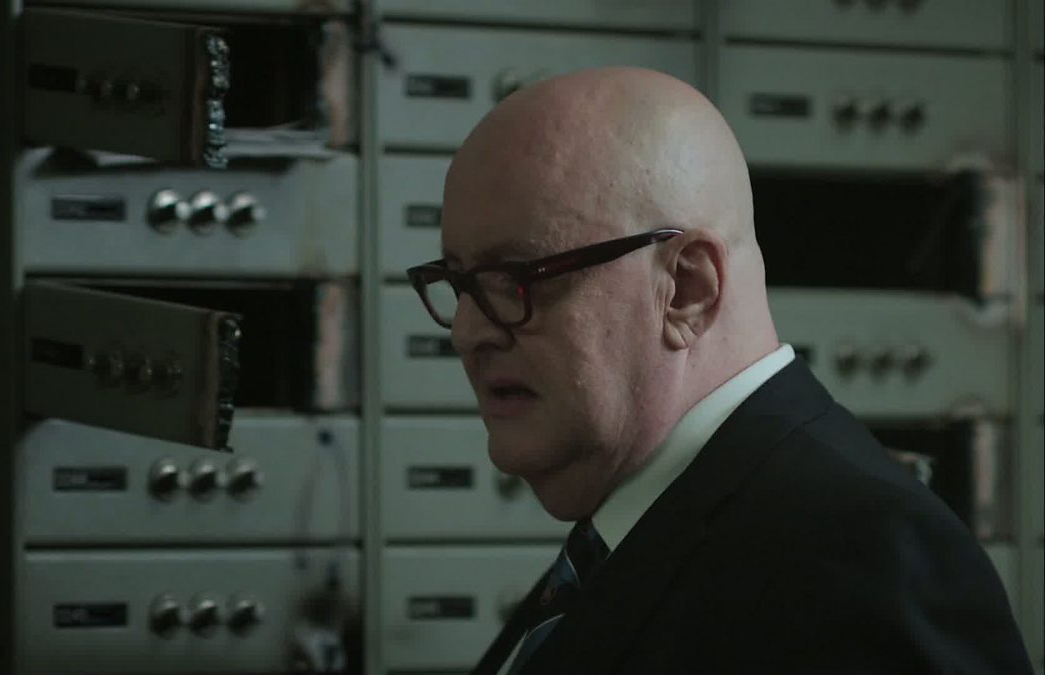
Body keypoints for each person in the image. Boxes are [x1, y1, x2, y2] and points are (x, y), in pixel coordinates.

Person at [405, 67, 1032, 674]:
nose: (466, 332)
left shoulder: (861, 565)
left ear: (687, 289)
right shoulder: (641, 527)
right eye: (458, 282)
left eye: (516, 278)